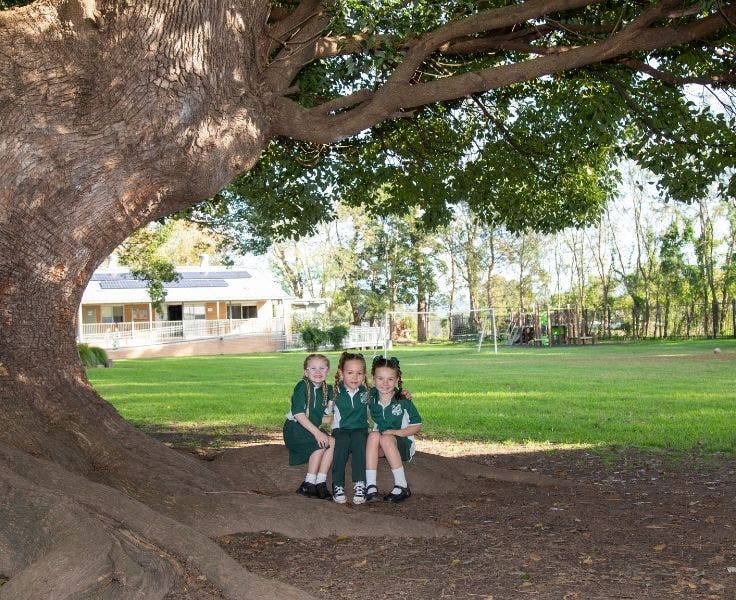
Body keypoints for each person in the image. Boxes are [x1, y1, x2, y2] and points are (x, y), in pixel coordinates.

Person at [365, 356, 422, 503]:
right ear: (373, 379)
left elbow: (417, 425)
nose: (385, 383)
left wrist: (396, 432)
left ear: (397, 380)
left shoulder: (402, 399)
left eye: (390, 379)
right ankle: (370, 486)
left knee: (386, 438)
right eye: (380, 378)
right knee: (373, 436)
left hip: (402, 443)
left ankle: (402, 486)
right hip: (382, 443)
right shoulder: (370, 396)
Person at [283, 353, 334, 500]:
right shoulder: (302, 386)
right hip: (295, 428)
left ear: (327, 370)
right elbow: (298, 413)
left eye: (322, 368)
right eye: (313, 368)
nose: (318, 372)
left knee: (333, 441)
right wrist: (318, 433)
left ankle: (320, 482)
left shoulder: (327, 389)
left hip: (311, 429)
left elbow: (326, 417)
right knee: (320, 442)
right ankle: (308, 483)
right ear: (306, 372)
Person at [330, 351, 370, 505]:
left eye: (359, 373)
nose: (355, 377)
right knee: (341, 443)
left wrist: (403, 394)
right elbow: (324, 412)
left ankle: (360, 483)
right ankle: (338, 484)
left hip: (360, 429)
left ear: (364, 375)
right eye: (350, 372)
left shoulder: (367, 392)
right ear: (341, 373)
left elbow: (388, 393)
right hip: (341, 429)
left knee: (360, 443)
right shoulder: (335, 392)